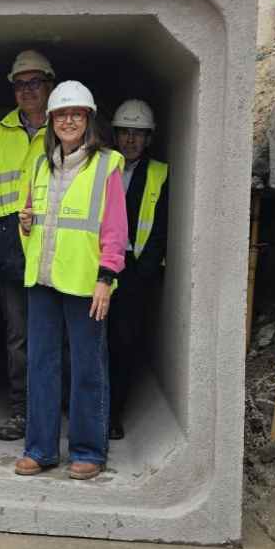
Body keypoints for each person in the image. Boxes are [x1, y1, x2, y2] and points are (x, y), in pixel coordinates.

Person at [15, 81, 127, 481]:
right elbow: (32, 223)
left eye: (76, 114)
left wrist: (106, 277)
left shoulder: (107, 164)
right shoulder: (39, 165)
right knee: (41, 366)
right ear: (51, 122)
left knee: (87, 368)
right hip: (42, 280)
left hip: (86, 284)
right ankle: (41, 449)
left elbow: (115, 229)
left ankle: (88, 450)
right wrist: (25, 223)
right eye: (61, 115)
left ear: (88, 120)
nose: (68, 121)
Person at [0, 49, 54, 441]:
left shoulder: (66, 128)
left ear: (49, 85)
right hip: (9, 247)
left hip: (56, 245)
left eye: (35, 83)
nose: (27, 90)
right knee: (17, 336)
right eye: (20, 84)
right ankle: (22, 411)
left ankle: (50, 408)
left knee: (54, 334)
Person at [107, 99, 168, 441]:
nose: (130, 140)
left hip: (134, 269)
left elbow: (161, 228)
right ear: (115, 135)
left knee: (124, 342)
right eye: (125, 132)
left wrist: (143, 272)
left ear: (149, 138)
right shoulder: (102, 167)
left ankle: (115, 413)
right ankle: (90, 406)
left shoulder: (160, 173)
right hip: (100, 264)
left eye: (138, 134)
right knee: (93, 340)